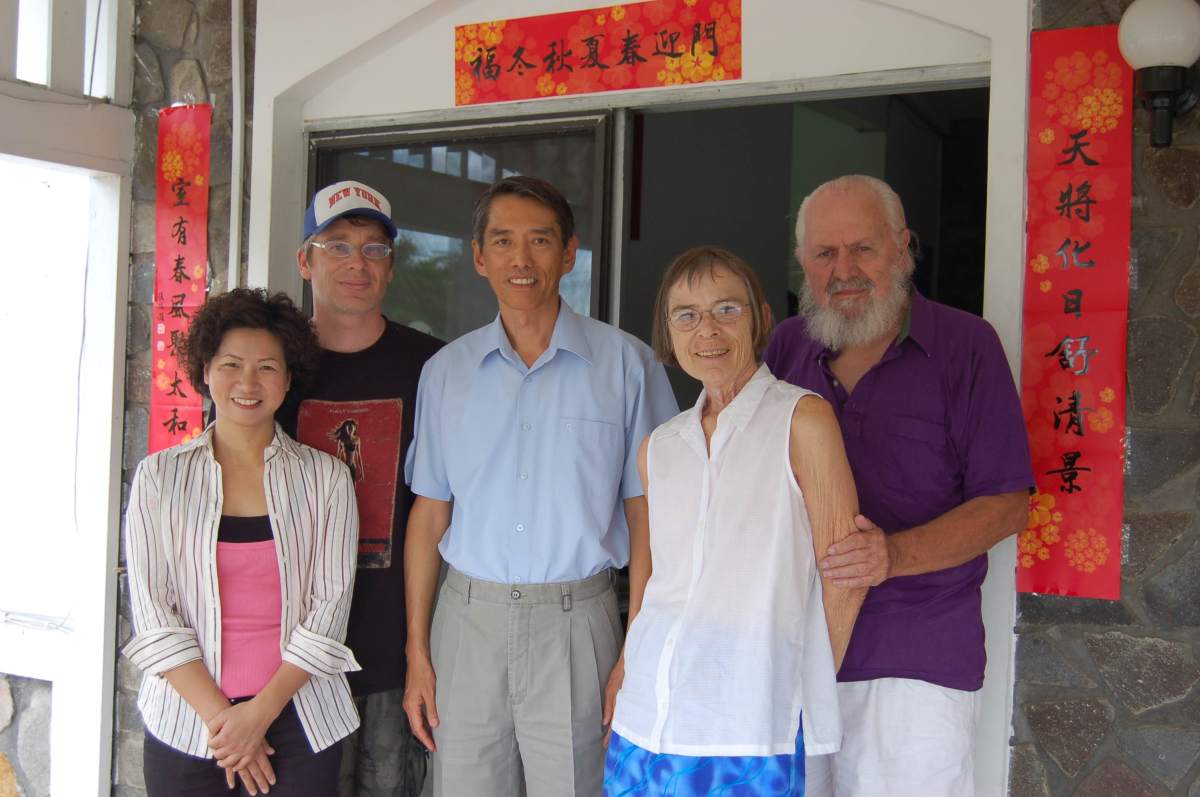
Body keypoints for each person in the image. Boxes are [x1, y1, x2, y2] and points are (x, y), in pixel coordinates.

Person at [402, 175, 679, 797]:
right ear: (479, 257)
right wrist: (418, 653)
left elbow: (650, 518)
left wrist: (637, 646)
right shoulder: (446, 373)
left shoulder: (627, 364)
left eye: (539, 241)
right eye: (502, 241)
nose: (520, 260)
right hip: (467, 622)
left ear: (569, 252)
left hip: (578, 621)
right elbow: (428, 515)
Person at [764, 175, 1033, 796]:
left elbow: (1006, 505)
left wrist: (893, 555)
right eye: (825, 253)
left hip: (916, 656)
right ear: (803, 261)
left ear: (903, 247)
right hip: (794, 652)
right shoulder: (785, 347)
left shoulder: (966, 346)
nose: (844, 270)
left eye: (863, 248)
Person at [604, 246, 865, 796]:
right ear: (668, 332)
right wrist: (629, 667)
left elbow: (847, 570)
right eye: (687, 315)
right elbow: (655, 583)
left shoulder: (802, 418)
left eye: (727, 309)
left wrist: (799, 682)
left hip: (749, 723)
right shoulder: (660, 447)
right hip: (649, 712)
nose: (708, 331)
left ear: (761, 319)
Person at [124, 288, 360, 797]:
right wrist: (226, 722)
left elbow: (331, 607)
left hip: (301, 723)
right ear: (205, 370)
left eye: (267, 368)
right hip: (189, 726)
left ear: (289, 378)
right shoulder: (159, 477)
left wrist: (259, 716)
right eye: (231, 364)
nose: (248, 383)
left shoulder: (327, 479)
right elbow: (153, 611)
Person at [282, 179, 444, 797]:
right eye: (337, 245)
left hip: (393, 650)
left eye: (374, 249)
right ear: (306, 260)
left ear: (391, 267)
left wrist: (423, 649)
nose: (357, 262)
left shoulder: (434, 368)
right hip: (287, 653)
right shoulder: (272, 366)